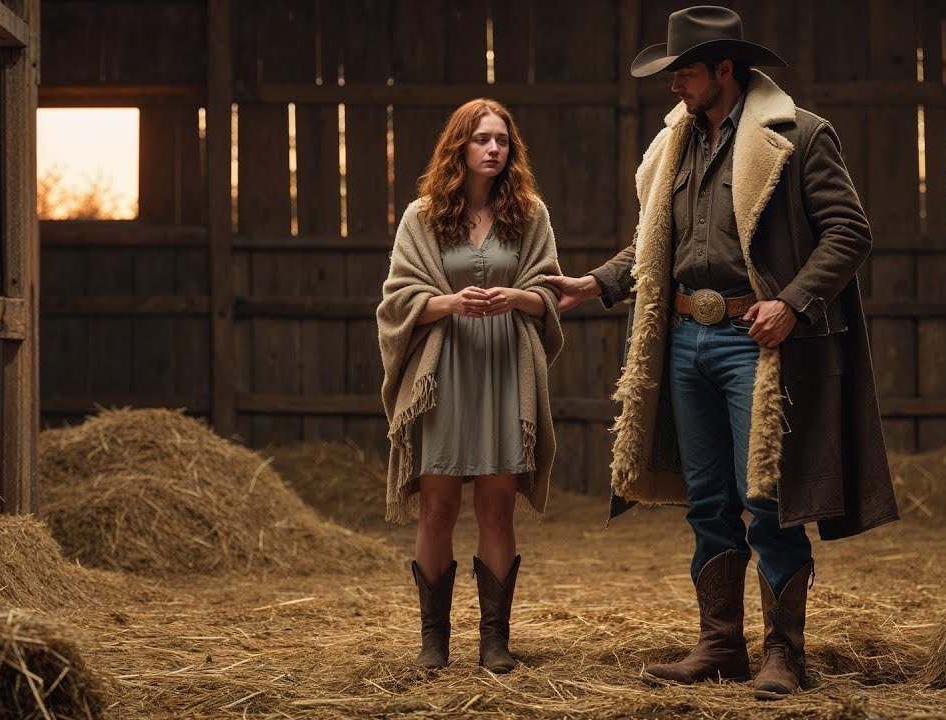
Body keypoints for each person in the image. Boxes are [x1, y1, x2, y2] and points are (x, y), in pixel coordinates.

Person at [546, 6, 899, 699]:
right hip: (683, 338)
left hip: (754, 339)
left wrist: (793, 303)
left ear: (724, 71)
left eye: (685, 72)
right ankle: (719, 645)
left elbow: (849, 232)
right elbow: (657, 242)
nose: (674, 85)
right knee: (708, 500)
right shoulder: (674, 143)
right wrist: (598, 282)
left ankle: (785, 654)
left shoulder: (796, 136)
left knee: (767, 497)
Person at [377, 99, 563, 674]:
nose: (493, 148)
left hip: (505, 372)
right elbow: (397, 297)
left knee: (498, 506)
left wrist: (517, 298)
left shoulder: (529, 214)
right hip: (443, 375)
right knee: (437, 505)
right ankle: (434, 641)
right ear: (459, 146)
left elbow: (550, 293)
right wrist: (447, 302)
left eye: (502, 140)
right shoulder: (423, 215)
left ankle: (494, 643)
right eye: (481, 138)